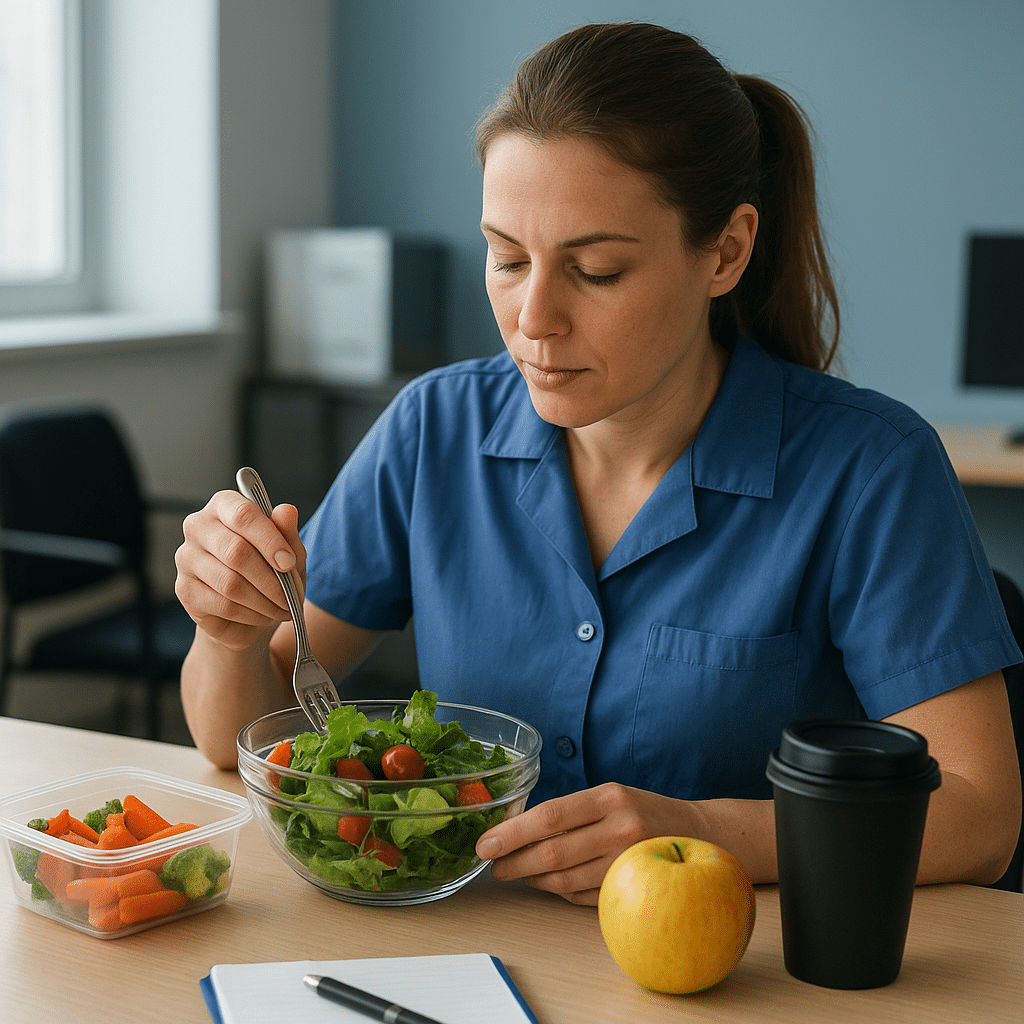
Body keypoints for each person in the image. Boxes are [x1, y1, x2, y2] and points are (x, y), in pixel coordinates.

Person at [176, 22, 1022, 905]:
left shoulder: (872, 469)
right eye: (508, 258)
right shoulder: (433, 427)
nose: (533, 318)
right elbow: (244, 728)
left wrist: (709, 831)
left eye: (598, 270)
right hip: (470, 946)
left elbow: (983, 815)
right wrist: (227, 632)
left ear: (726, 252)